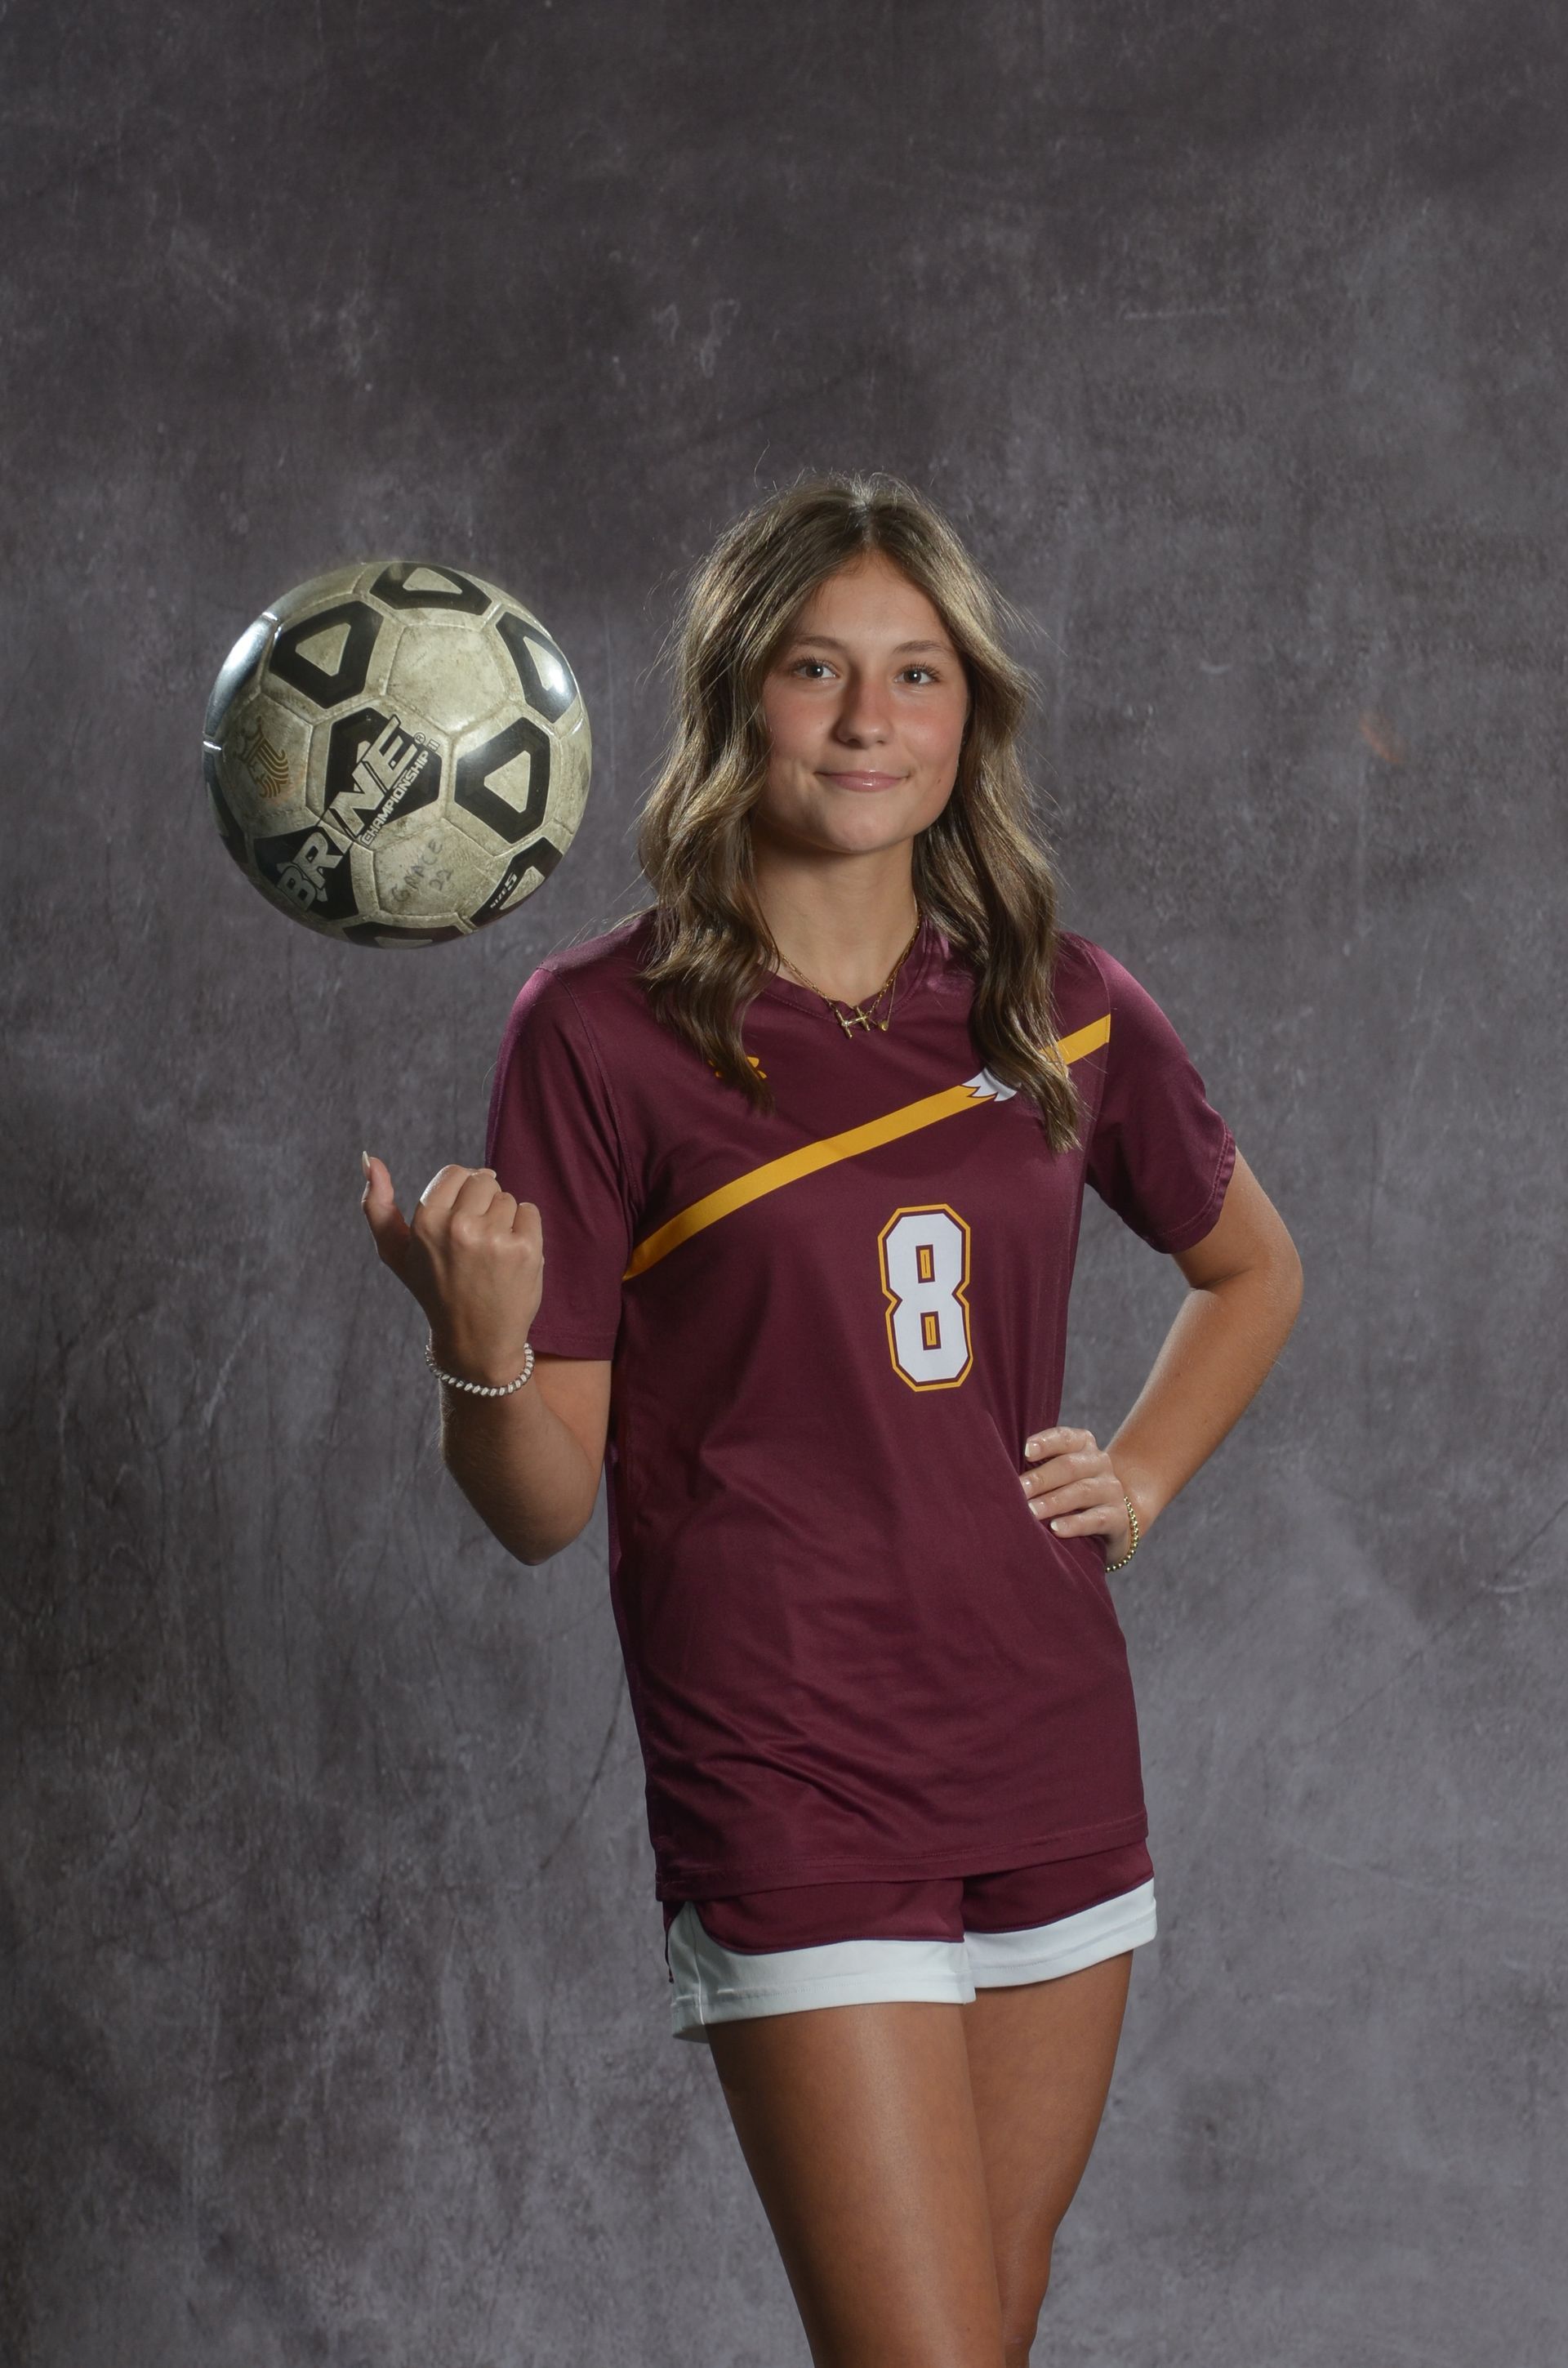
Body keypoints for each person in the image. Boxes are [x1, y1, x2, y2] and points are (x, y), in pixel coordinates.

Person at [360, 472, 1303, 2368]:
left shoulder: (1061, 1007)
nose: (873, 720)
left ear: (971, 720)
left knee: (995, 2327)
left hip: (1045, 1743)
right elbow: (542, 1503)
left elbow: (1253, 1271)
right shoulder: (603, 1030)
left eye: (920, 674)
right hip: (790, 1765)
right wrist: (476, 1353)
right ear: (737, 700)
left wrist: (1135, 1472)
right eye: (817, 669)